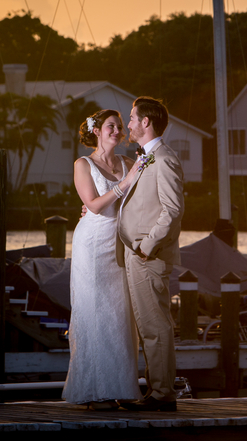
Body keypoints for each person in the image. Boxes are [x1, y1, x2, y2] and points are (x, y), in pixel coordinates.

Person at [62, 109, 142, 411]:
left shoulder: (128, 163)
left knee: (120, 316)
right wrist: (124, 184)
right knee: (95, 314)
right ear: (96, 131)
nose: (118, 131)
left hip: (120, 244)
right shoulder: (83, 164)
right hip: (93, 245)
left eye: (120, 127)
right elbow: (93, 206)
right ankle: (95, 391)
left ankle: (121, 387)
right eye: (111, 126)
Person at [115, 97, 185, 412]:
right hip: (135, 255)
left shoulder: (165, 159)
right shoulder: (145, 157)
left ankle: (162, 394)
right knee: (147, 326)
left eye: (131, 118)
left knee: (155, 325)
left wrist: (146, 246)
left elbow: (172, 210)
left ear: (146, 122)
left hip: (148, 256)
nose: (128, 124)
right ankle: (156, 390)